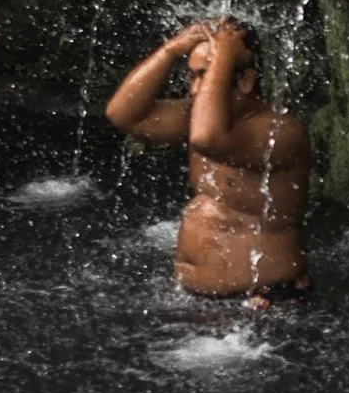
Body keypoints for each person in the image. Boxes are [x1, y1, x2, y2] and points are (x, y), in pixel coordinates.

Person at [104, 18, 312, 304]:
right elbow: (124, 115)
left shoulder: (281, 132)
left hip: (263, 301)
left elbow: (208, 140)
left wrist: (225, 53)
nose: (193, 90)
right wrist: (170, 51)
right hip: (198, 303)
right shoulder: (196, 118)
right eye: (192, 76)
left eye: (206, 74)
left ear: (246, 81)